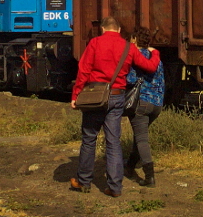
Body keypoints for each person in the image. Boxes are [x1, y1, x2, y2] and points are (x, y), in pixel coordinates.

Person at [70, 15, 161, 196]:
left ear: (103, 29)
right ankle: (115, 187)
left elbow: (84, 70)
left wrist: (76, 95)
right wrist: (155, 52)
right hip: (118, 97)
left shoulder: (95, 43)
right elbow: (150, 67)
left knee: (89, 139)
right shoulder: (128, 47)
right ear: (119, 30)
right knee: (113, 142)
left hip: (95, 96)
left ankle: (84, 182)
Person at [123, 26, 164, 187]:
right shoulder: (156, 58)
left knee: (141, 139)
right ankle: (129, 167)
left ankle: (149, 177)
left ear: (134, 40)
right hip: (157, 104)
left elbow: (130, 80)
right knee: (139, 136)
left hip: (141, 103)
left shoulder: (135, 56)